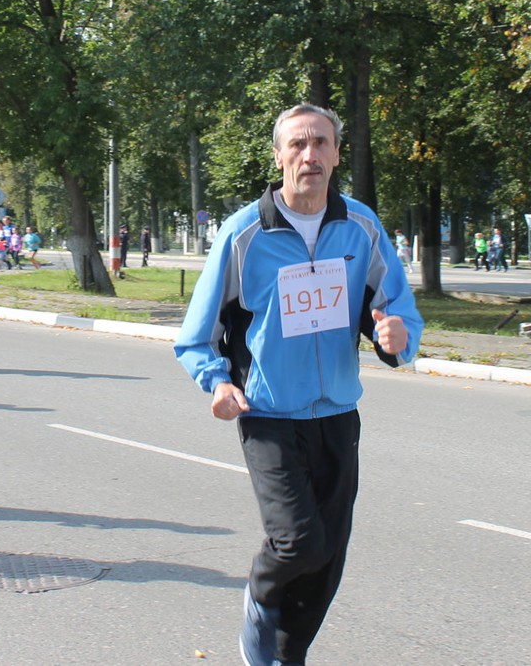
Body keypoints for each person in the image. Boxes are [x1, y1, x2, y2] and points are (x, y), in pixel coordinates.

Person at [174, 103, 423, 666]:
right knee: (297, 542)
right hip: (268, 413)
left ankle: (285, 656)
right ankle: (259, 607)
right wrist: (216, 382)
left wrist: (396, 337)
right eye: (298, 145)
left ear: (337, 154)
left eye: (321, 144)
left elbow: (396, 309)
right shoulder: (244, 233)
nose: (309, 155)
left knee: (328, 556)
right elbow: (197, 334)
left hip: (337, 415)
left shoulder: (360, 226)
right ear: (279, 154)